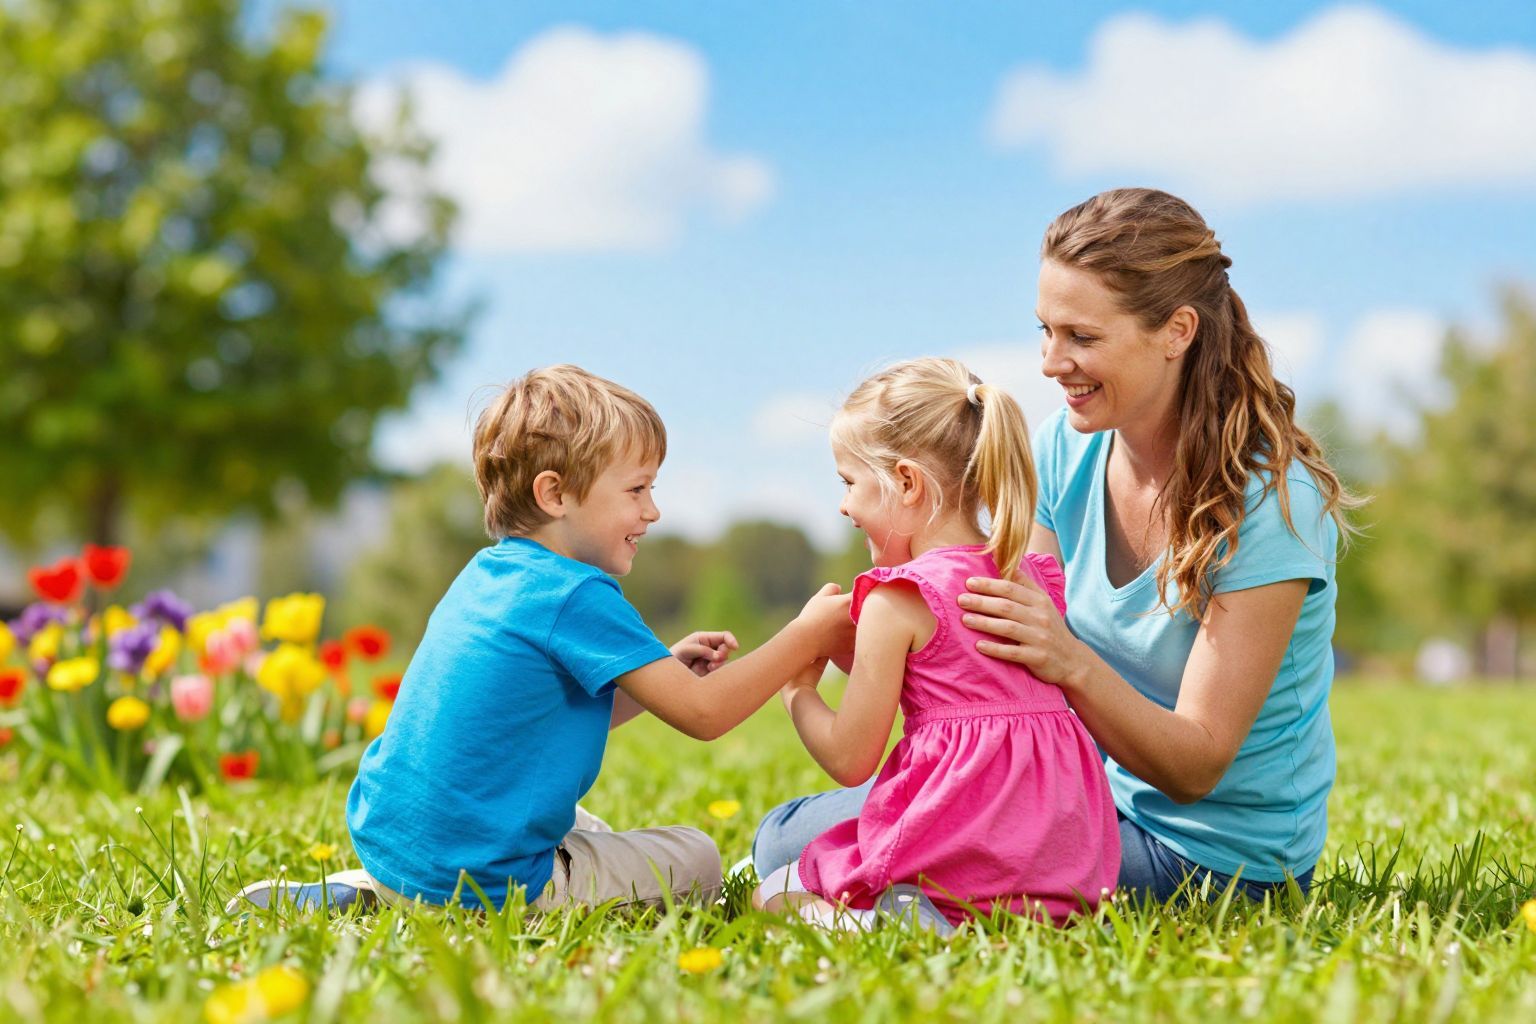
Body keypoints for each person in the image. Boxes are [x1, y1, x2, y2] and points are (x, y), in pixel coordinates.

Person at [754, 189, 1357, 903]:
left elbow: (1196, 766)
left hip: (1214, 859)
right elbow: (1000, 652)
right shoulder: (1067, 453)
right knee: (785, 835)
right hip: (1069, 796)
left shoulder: (1269, 505)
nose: (1050, 361)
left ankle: (889, 902)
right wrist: (883, 649)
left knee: (796, 844)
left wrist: (1070, 662)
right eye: (1044, 330)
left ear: (1177, 331)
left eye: (1082, 337)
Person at [232, 365, 851, 914]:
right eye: (636, 490)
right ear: (554, 493)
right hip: (484, 881)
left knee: (580, 824)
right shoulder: (576, 593)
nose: (654, 511)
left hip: (401, 844)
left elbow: (533, 723)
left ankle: (366, 893)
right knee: (698, 857)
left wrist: (662, 671)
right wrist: (806, 634)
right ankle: (433, 900)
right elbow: (707, 715)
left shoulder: (490, 574)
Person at [752, 358, 1119, 928]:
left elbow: (851, 760)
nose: (844, 507)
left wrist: (797, 689)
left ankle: (895, 923)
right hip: (1061, 877)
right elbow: (968, 682)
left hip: (952, 866)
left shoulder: (895, 600)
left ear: (905, 482)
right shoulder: (1031, 578)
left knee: (771, 893)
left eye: (849, 483)